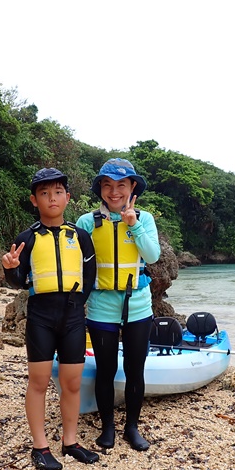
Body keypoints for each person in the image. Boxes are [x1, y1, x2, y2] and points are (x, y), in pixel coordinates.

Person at [2, 168, 99, 470]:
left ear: (68, 197)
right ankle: (40, 446)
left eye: (58, 192)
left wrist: (77, 306)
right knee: (39, 381)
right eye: (44, 193)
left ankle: (70, 442)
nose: (52, 198)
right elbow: (17, 282)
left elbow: (90, 275)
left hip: (72, 316)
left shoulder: (80, 236)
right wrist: (10, 269)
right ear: (34, 200)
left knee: (71, 383)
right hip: (41, 316)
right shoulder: (26, 238)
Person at [76, 158, 161, 451]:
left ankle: (132, 428)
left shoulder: (145, 219)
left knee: (135, 368)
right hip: (101, 307)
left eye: (121, 185)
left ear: (132, 187)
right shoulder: (87, 223)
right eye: (108, 185)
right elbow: (76, 263)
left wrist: (133, 225)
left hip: (137, 306)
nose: (114, 192)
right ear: (100, 188)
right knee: (106, 369)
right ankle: (108, 428)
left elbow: (151, 256)